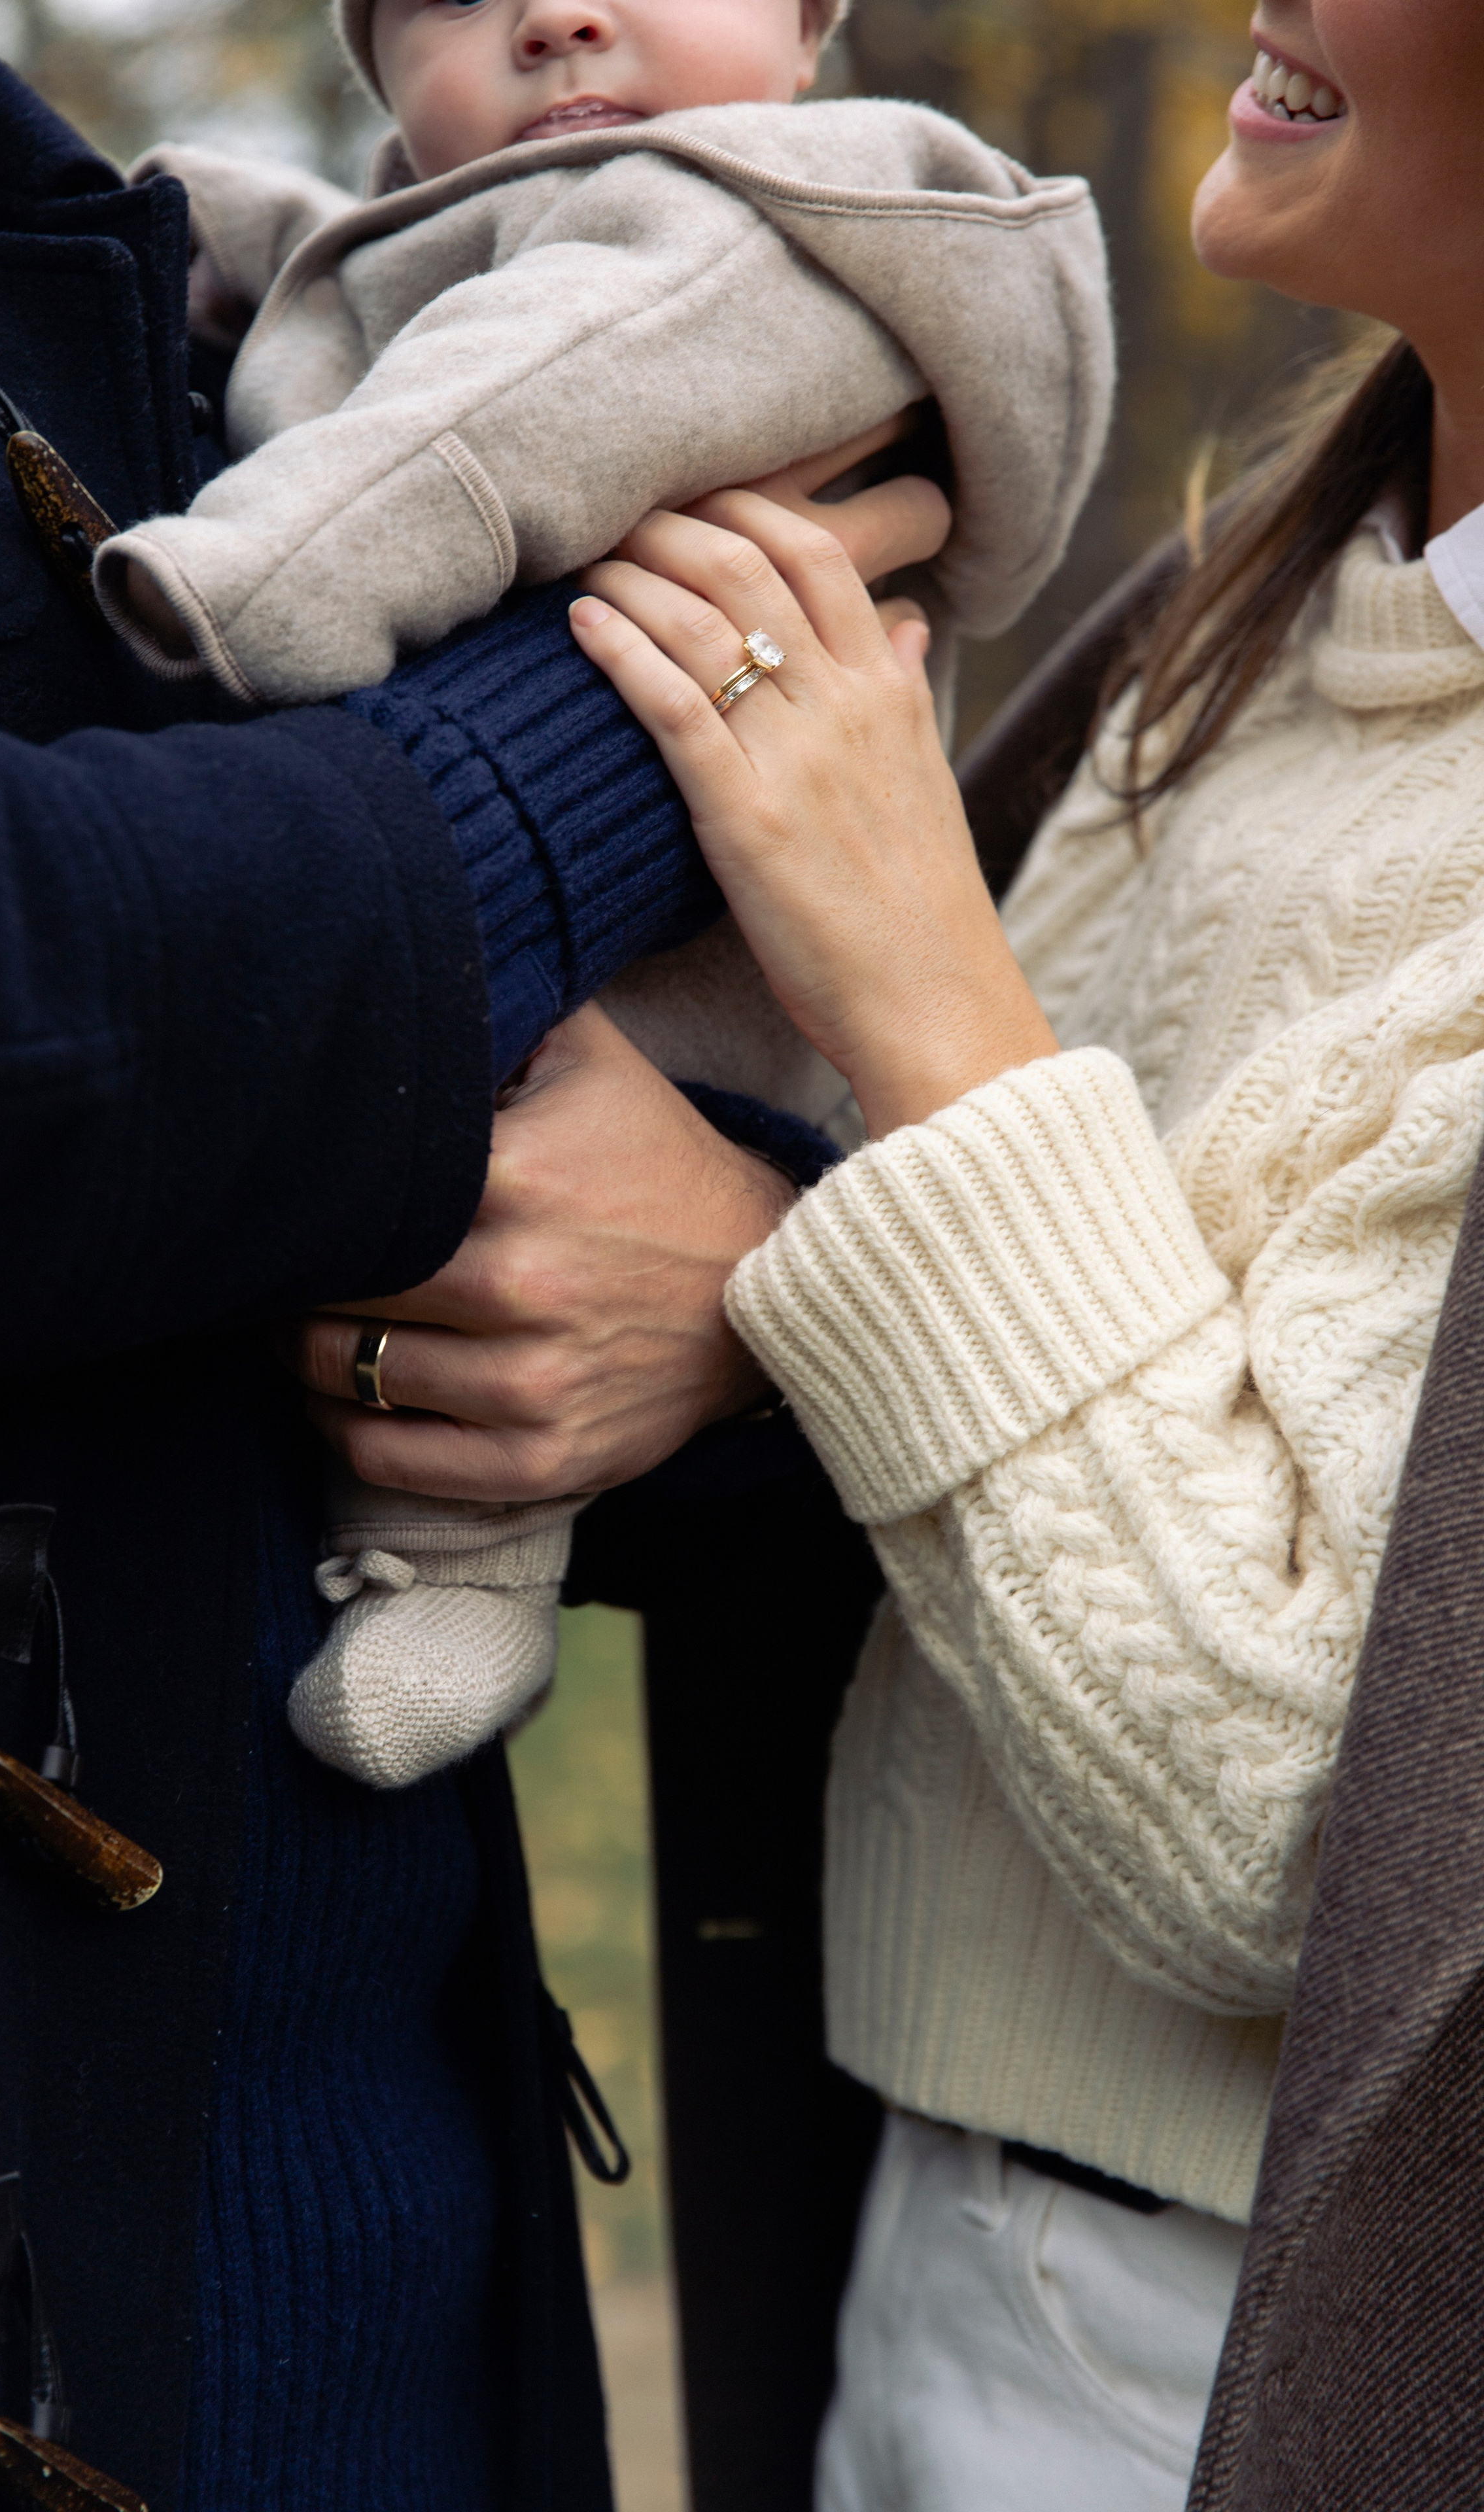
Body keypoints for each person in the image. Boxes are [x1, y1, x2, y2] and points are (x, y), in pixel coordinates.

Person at [293, 0, 1484, 2501]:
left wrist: (906, 971)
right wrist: (730, 1308)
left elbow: (1302, 1832)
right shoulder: (1226, 629)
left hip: (1260, 2361)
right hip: (931, 2229)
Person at [0, 1, 944, 2503]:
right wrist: (604, 748)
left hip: (377, 2298)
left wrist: (737, 1307)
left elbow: (232, 1202)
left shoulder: (79, 269)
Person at [84, 0, 1110, 1798]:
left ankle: (466, 1565)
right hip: (437, 919)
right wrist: (163, 231)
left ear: (809, 27)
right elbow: (347, 295)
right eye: (456, 0)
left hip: (672, 962)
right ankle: (445, 1556)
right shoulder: (497, 227)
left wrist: (247, 583)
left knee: (526, 1190)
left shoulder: (754, 227)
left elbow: (496, 430)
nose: (555, 12)